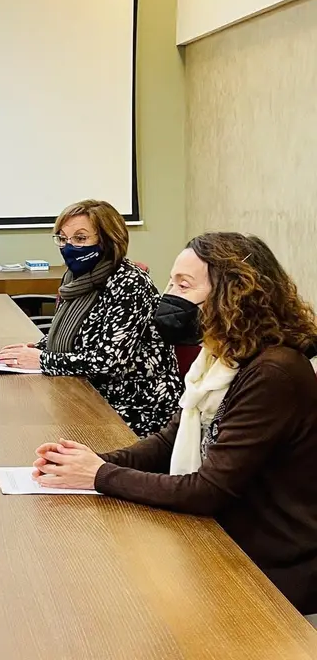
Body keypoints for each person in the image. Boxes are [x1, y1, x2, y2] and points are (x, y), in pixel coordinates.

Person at [31, 233, 317, 614]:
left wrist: (99, 475)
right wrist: (87, 463)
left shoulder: (273, 373)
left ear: (233, 293)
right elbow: (170, 441)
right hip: (222, 537)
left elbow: (208, 490)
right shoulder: (222, 357)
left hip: (267, 568)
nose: (168, 295)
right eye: (171, 281)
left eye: (183, 284)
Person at [0, 199, 182, 437]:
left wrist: (43, 360)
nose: (69, 246)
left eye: (81, 238)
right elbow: (74, 335)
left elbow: (108, 361)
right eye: (63, 238)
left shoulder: (130, 284)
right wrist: (38, 348)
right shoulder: (75, 277)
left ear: (107, 240)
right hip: (84, 390)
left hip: (133, 406)